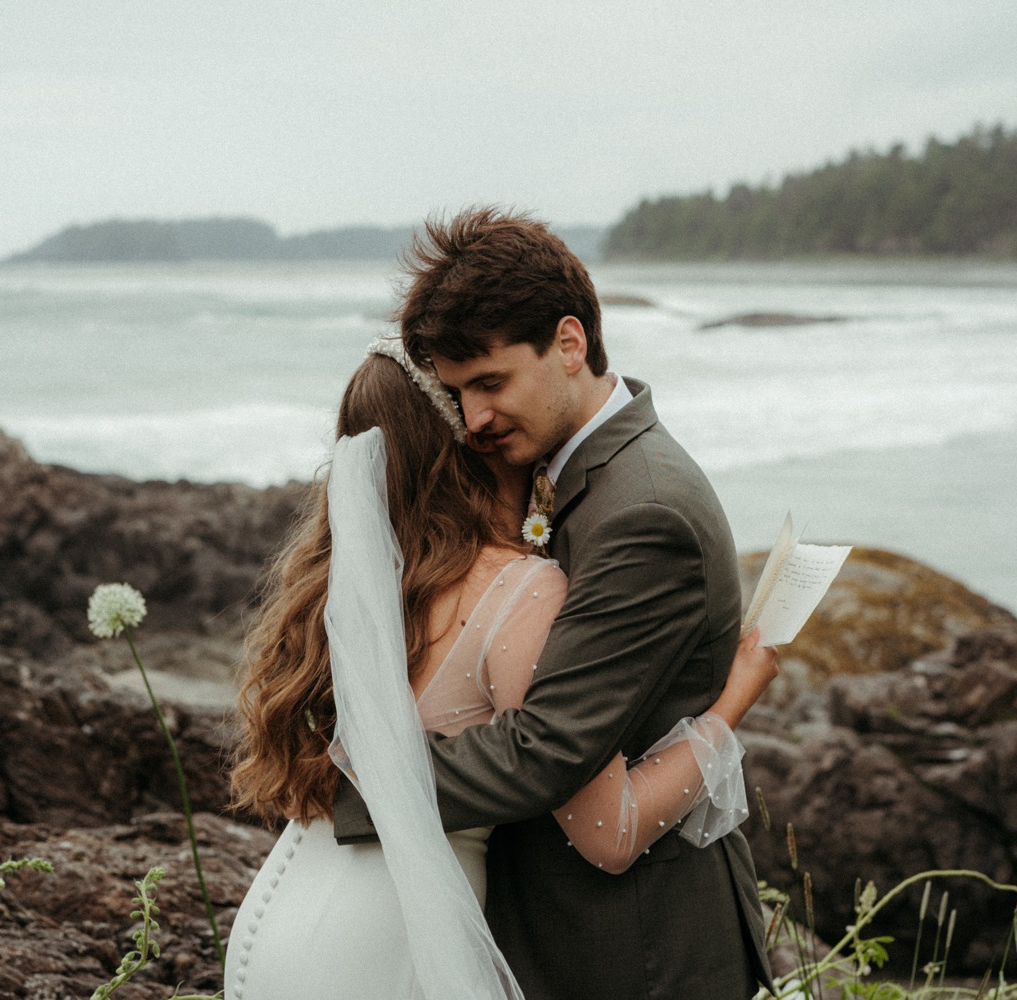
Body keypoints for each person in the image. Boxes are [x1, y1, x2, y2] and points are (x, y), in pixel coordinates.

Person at [225, 335, 777, 997]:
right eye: (478, 410)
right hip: (400, 940)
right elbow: (612, 830)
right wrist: (732, 705)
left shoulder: (335, 587)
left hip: (276, 922)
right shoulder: (519, 591)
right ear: (464, 448)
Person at [329, 208, 776, 999]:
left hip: (636, 952)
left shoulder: (645, 511)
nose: (473, 421)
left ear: (570, 344)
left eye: (490, 383)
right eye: (458, 393)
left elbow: (546, 747)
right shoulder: (567, 476)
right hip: (571, 939)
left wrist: (351, 776)